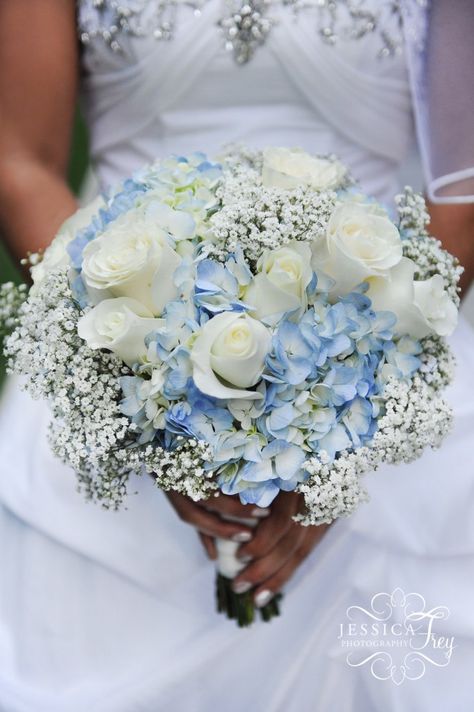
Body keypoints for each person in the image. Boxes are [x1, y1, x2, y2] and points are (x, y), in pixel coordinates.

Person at [0, 1, 473, 710]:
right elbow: (22, 161)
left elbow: (464, 192)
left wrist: (343, 423)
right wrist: (142, 393)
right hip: (115, 392)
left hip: (387, 390)